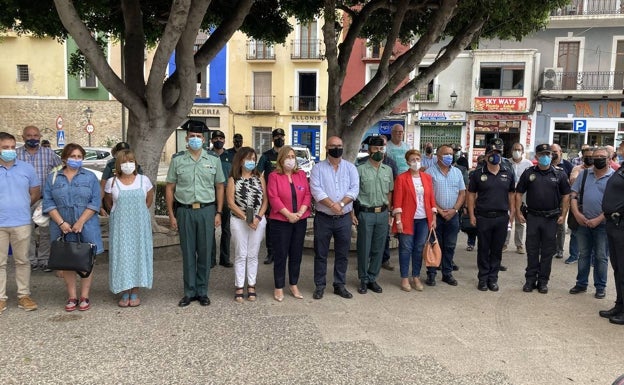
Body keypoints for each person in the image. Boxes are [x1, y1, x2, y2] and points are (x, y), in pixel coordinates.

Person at [166, 121, 225, 307]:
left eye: (199, 137)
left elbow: (220, 187)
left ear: (204, 139)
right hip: (185, 211)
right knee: (188, 253)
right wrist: (171, 214)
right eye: (192, 136)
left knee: (205, 252)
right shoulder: (178, 160)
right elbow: (170, 188)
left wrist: (219, 212)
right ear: (186, 138)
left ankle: (202, 291)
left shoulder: (213, 160)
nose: (195, 139)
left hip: (207, 211)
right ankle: (189, 291)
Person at [43, 143, 104, 311]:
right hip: (61, 225)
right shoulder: (53, 177)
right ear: (64, 158)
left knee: (86, 260)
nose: (76, 160)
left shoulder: (90, 177)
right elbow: (48, 202)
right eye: (73, 156)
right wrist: (61, 222)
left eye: (79, 157)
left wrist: (80, 222)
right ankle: (72, 296)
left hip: (86, 224)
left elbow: (95, 202)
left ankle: (85, 295)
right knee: (67, 260)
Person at [516, 144, 570, 294]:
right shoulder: (529, 173)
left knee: (547, 251)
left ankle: (543, 281)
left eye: (548, 154)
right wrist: (518, 213)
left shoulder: (559, 174)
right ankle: (530, 280)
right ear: (537, 157)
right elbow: (519, 193)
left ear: (551, 156)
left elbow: (566, 195)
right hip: (533, 216)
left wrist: (563, 214)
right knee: (532, 250)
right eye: (542, 154)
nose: (546, 157)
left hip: (551, 218)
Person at [310, 136, 359, 300]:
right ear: (326, 148)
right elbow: (316, 191)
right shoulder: (317, 169)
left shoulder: (351, 168)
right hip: (324, 217)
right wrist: (333, 205)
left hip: (344, 218)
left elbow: (354, 189)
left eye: (339, 145)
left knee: (342, 254)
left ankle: (339, 285)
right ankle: (320, 285)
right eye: (333, 145)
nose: (336, 148)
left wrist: (342, 205)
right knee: (321, 253)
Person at [104, 149, 154, 307]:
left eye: (131, 161)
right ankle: (124, 290)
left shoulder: (144, 180)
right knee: (122, 256)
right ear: (118, 164)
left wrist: (137, 214)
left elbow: (148, 201)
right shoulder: (111, 182)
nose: (128, 165)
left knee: (138, 255)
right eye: (124, 161)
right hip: (121, 227)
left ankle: (135, 291)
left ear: (135, 163)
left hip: (139, 226)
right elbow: (109, 203)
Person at [467, 140, 515, 291]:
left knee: (496, 250)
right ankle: (483, 278)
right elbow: (471, 195)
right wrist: (472, 215)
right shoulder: (477, 174)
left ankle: (493, 279)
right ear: (486, 156)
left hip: (501, 217)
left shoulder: (507, 173)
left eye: (498, 153)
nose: (495, 156)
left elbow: (511, 194)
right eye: (492, 154)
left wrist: (512, 213)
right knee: (483, 249)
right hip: (483, 217)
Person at [0, 131, 40, 313]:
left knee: (23, 260)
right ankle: (1, 298)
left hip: (21, 221)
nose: (9, 150)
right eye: (5, 148)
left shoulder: (27, 168)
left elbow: (35, 192)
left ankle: (23, 295)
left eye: (12, 147)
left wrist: (23, 205)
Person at [267, 146, 311, 302]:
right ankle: (278, 287)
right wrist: (288, 215)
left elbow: (307, 193)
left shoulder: (300, 175)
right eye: (288, 156)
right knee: (280, 254)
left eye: (293, 156)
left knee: (296, 254)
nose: (291, 159)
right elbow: (273, 197)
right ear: (281, 159)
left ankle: (294, 284)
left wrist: (300, 213)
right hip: (281, 222)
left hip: (300, 220)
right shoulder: (274, 176)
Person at [568, 146, 613, 300]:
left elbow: (615, 204)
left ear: (609, 159)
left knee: (601, 256)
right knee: (583, 254)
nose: (598, 159)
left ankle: (600, 287)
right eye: (596, 157)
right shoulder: (585, 174)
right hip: (583, 222)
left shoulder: (614, 177)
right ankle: (581, 284)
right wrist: (577, 214)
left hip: (603, 224)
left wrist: (599, 219)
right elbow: (573, 195)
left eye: (602, 156)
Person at [16, 125, 62, 272]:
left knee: (46, 231)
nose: (33, 138)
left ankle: (44, 259)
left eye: (36, 135)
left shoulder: (49, 154)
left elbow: (60, 170)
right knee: (25, 231)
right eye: (29, 135)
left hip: (44, 200)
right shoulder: (16, 155)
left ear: (40, 137)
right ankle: (30, 260)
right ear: (23, 137)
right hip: (23, 200)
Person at [353, 136, 394, 295]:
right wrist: (352, 213)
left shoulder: (388, 170)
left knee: (378, 247)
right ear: (369, 150)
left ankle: (372, 278)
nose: (379, 151)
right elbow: (354, 193)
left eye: (381, 148)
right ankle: (363, 279)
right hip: (366, 213)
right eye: (376, 148)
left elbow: (389, 192)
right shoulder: (360, 169)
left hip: (382, 213)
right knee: (364, 247)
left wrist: (389, 212)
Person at [392, 149, 436, 292]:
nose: (415, 162)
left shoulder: (427, 178)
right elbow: (397, 201)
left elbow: (431, 199)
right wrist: (398, 221)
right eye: (412, 160)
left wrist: (433, 217)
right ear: (407, 162)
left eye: (417, 159)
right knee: (405, 249)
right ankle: (404, 277)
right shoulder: (401, 178)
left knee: (418, 249)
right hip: (407, 219)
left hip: (424, 219)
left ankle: (415, 276)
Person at [227, 147, 268, 303]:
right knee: (241, 254)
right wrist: (246, 218)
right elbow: (230, 202)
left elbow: (265, 201)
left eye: (253, 159)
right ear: (240, 160)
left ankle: (251, 285)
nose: (251, 162)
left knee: (253, 254)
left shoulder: (259, 177)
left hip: (258, 221)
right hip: (239, 221)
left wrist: (257, 218)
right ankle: (239, 286)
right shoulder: (233, 179)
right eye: (248, 158)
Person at [425, 144, 465, 286]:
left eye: (451, 153)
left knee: (450, 245)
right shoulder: (429, 172)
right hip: (436, 215)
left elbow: (462, 193)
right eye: (446, 154)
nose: (449, 156)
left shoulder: (457, 172)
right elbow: (428, 195)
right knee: (433, 245)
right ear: (438, 156)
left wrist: (454, 209)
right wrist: (440, 210)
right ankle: (431, 273)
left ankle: (447, 273)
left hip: (453, 215)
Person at [257, 128, 286, 264]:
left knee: (284, 224)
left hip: (285, 196)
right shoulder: (266, 156)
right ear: (273, 139)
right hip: (270, 196)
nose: (279, 138)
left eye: (282, 136)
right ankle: (270, 253)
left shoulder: (288, 155)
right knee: (270, 224)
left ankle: (282, 251)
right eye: (277, 136)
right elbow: (257, 174)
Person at [600, 165, 624, 324]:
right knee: (618, 269)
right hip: (614, 224)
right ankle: (619, 305)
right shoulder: (621, 169)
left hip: (621, 224)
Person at [209, 130, 233, 268]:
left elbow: (234, 176)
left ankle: (225, 258)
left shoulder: (230, 156)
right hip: (210, 194)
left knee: (226, 228)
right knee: (210, 228)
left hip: (225, 193)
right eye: (216, 138)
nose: (219, 140)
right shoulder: (207, 155)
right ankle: (211, 259)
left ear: (224, 140)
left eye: (221, 138)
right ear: (212, 141)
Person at [566, 146, 594, 265]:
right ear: (583, 157)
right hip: (577, 204)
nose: (589, 159)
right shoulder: (577, 168)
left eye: (591, 157)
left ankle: (592, 258)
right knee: (575, 231)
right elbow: (573, 181)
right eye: (587, 156)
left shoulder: (598, 170)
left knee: (593, 232)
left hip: (592, 206)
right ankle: (573, 255)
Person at [504, 143, 533, 254]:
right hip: (509, 194)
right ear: (511, 150)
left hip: (522, 195)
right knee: (508, 218)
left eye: (519, 149)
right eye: (515, 149)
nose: (517, 151)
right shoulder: (506, 162)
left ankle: (519, 245)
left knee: (520, 220)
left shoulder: (528, 164)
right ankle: (505, 243)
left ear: (522, 151)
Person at [100, 142, 143, 215]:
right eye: (120, 151)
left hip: (133, 200)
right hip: (114, 200)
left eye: (125, 151)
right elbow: (103, 184)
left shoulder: (135, 166)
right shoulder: (110, 165)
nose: (123, 154)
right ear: (116, 152)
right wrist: (100, 206)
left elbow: (142, 184)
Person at [550, 143, 573, 259]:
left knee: (560, 225)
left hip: (562, 199)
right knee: (548, 225)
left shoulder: (568, 165)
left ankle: (559, 249)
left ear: (560, 152)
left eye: (555, 151)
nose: (553, 154)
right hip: (548, 199)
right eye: (551, 152)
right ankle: (549, 248)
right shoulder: (546, 164)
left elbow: (572, 183)